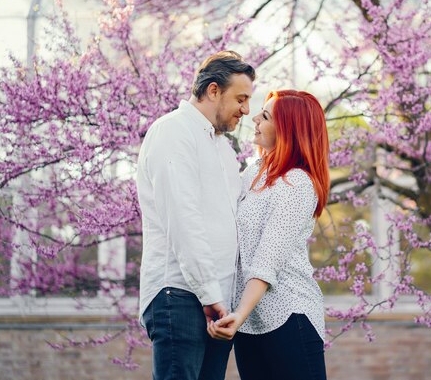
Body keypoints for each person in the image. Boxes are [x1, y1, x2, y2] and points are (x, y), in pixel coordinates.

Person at [136, 50, 255, 380]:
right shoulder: (172, 132)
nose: (246, 110)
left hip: (217, 303)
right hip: (182, 295)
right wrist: (210, 294)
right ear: (213, 90)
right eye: (241, 98)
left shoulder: (222, 149)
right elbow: (183, 219)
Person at [208, 90, 330, 380]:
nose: (254, 117)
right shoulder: (255, 172)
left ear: (289, 128)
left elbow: (268, 258)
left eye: (265, 115)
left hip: (289, 319)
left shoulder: (297, 182)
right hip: (249, 322)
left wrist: (239, 313)